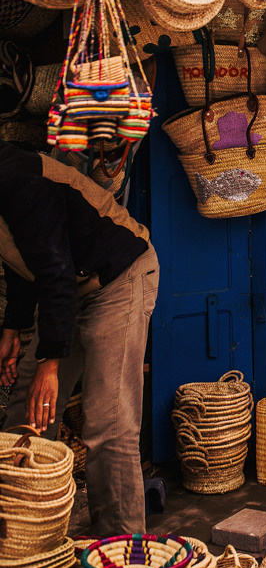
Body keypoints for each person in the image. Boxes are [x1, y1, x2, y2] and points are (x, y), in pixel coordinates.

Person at [0, 141, 159, 534]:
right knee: (27, 407)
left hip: (119, 277)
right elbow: (24, 263)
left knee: (109, 423)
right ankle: (27, 531)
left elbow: (53, 271)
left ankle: (123, 552)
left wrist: (50, 364)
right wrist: (12, 328)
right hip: (72, 285)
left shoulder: (19, 180)